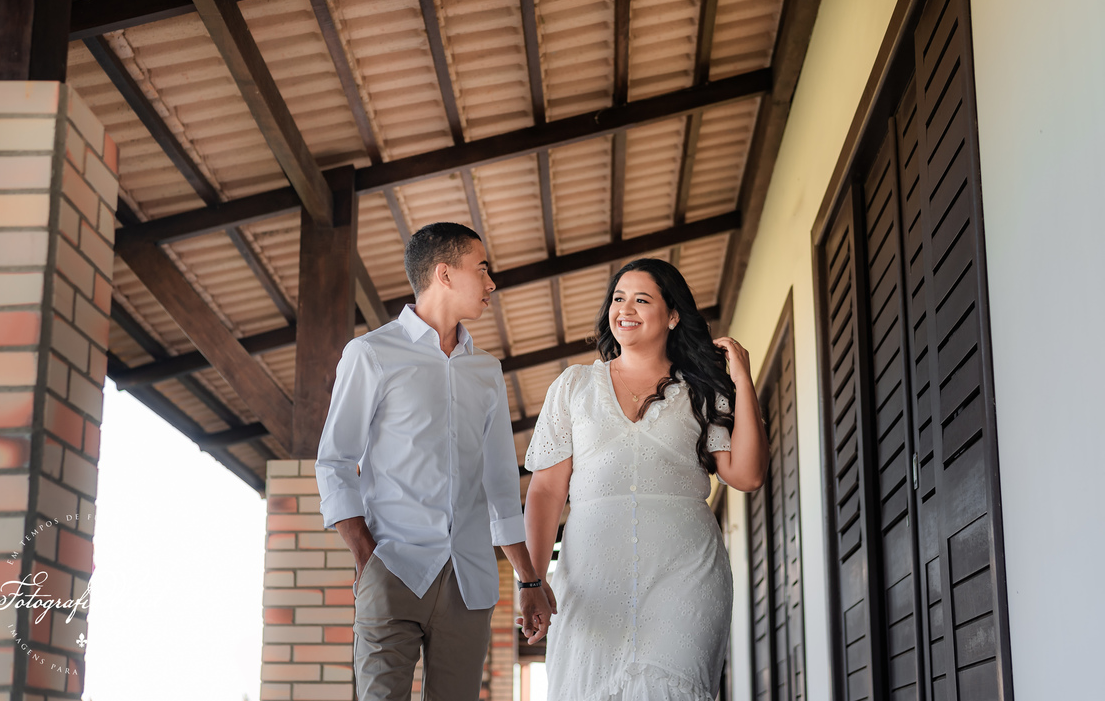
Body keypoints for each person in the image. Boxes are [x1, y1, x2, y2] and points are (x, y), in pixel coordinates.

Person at [315, 222, 554, 701]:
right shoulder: (371, 354)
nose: (491, 283)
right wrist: (367, 555)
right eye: (482, 269)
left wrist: (529, 579)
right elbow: (335, 461)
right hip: (394, 567)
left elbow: (501, 488)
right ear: (444, 273)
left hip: (469, 582)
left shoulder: (486, 371)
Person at [523, 258, 770, 701]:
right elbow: (545, 490)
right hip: (591, 578)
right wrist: (533, 579)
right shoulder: (574, 386)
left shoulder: (699, 389)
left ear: (673, 315)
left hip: (686, 574)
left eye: (641, 299)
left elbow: (747, 474)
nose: (625, 308)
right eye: (618, 298)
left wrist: (742, 380)